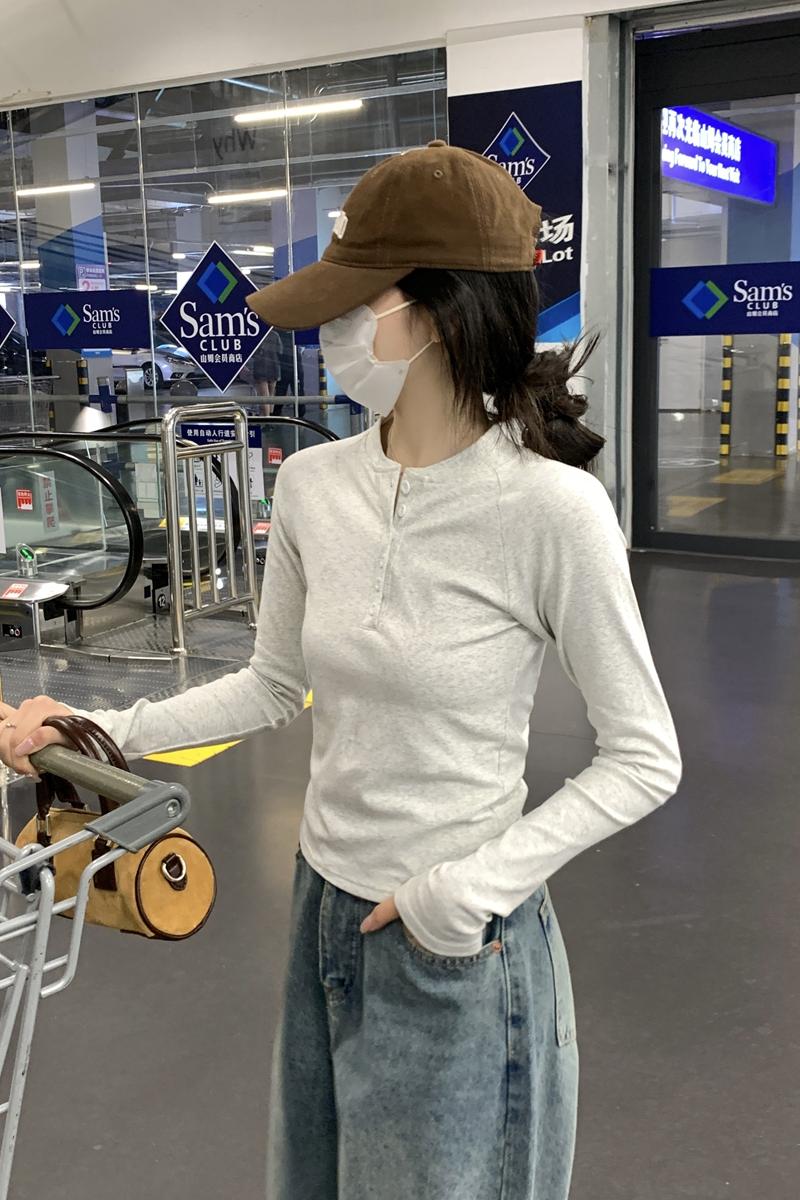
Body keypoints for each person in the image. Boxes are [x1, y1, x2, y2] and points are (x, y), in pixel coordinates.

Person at [0, 141, 682, 1200]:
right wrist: (99, 730)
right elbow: (273, 684)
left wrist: (465, 891)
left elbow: (643, 756)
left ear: (437, 313)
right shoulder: (315, 485)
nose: (331, 333)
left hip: (456, 941)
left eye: (355, 304)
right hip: (322, 907)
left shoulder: (552, 511)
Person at [250, 325, 282, 411]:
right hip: (274, 367)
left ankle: (266, 417)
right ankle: (271, 415)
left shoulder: (256, 335)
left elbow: (252, 353)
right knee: (271, 394)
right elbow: (280, 351)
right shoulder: (275, 335)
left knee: (264, 397)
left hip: (261, 367)